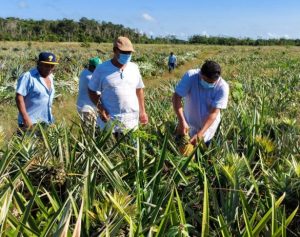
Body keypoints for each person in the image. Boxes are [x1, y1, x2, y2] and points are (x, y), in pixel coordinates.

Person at [88, 36, 148, 134]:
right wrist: (101, 108)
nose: (127, 55)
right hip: (110, 124)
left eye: (129, 52)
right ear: (115, 50)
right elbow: (91, 90)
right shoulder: (102, 69)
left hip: (132, 123)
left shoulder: (134, 68)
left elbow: (139, 89)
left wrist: (143, 112)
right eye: (124, 52)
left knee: (132, 149)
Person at [172, 60, 229, 146]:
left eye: (211, 82)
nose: (208, 83)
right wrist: (181, 121)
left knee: (205, 151)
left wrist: (201, 133)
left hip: (208, 127)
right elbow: (177, 97)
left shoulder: (223, 87)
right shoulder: (190, 76)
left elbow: (214, 113)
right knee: (183, 150)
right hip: (188, 122)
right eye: (206, 80)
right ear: (200, 73)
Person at [16, 52, 59, 129]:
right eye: (46, 65)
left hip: (47, 121)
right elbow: (19, 97)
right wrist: (26, 119)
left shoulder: (51, 77)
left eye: (52, 66)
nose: (49, 68)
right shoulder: (28, 77)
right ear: (38, 63)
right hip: (30, 123)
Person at [76, 57, 102, 129]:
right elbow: (98, 94)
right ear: (91, 66)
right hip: (87, 109)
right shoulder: (90, 78)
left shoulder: (84, 72)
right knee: (89, 133)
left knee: (87, 131)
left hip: (84, 106)